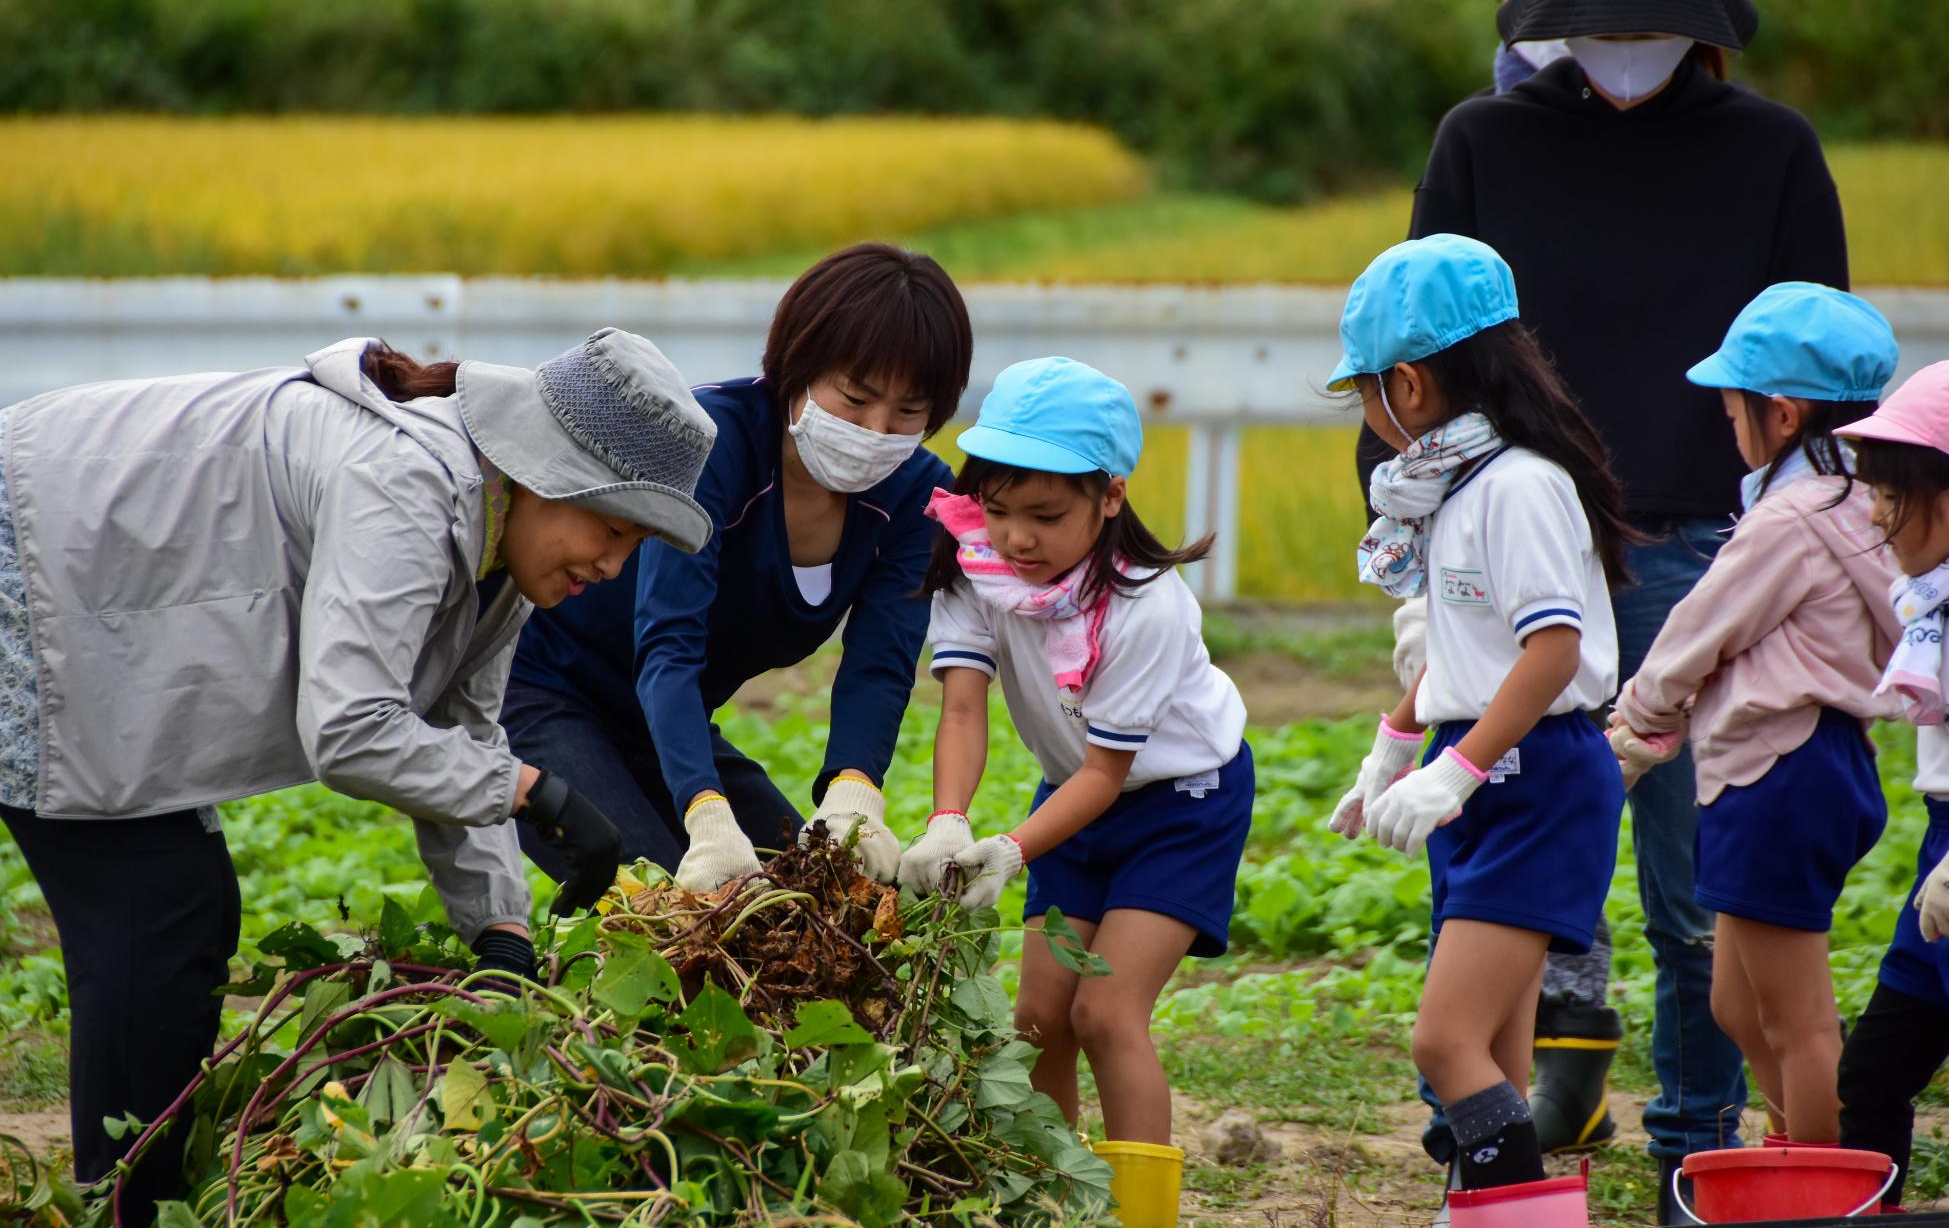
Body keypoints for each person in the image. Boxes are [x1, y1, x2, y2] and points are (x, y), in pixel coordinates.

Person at [0, 328, 711, 1217]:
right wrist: (533, 793)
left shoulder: (503, 549)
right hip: (30, 561)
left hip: (91, 607)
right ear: (542, 470)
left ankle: (142, 1198)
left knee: (181, 914)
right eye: (611, 529)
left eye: (635, 544)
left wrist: (502, 933)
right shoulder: (412, 484)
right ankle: (131, 1207)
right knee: (158, 916)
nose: (612, 566)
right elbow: (351, 726)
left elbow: (463, 731)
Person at [1384, 0, 1853, 1211]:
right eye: (1605, 8)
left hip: (1718, 562)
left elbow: (1823, 390)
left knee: (1701, 894)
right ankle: (1488, 1165)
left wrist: (1811, 569)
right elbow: (1414, 358)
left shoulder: (1775, 154)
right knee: (1487, 881)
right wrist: (1409, 538)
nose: (1626, 38)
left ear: (1700, 10)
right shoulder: (1481, 143)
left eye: (1653, 11)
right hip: (1512, 547)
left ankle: (1692, 1159)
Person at [504, 244, 973, 893]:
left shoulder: (916, 496)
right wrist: (706, 809)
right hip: (543, 690)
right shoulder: (713, 446)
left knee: (825, 904)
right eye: (856, 399)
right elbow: (670, 645)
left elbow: (880, 662)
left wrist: (852, 790)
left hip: (667, 720)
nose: (875, 428)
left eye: (907, 413)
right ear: (800, 367)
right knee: (674, 910)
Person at [900, 356, 1252, 1216]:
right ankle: (1058, 1200)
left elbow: (1109, 769)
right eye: (1000, 509)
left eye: (1047, 516)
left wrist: (1012, 850)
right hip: (1070, 800)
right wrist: (951, 821)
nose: (1017, 538)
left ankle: (1138, 1213)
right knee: (1035, 1016)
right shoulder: (977, 570)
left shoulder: (1147, 606)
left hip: (1182, 805)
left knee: (1104, 1012)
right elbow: (962, 710)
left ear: (1112, 495)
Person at [1327, 235, 1634, 1203]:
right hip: (1493, 774)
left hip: (1534, 779)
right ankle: (1491, 1214)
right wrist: (1389, 750)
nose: (1368, 419)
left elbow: (1550, 653)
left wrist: (1453, 770)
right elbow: (1468, 657)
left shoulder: (1516, 487)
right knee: (1491, 1048)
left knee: (1442, 1039)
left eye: (1364, 395)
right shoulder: (1454, 491)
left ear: (1407, 385)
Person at [1607, 284, 1903, 1147]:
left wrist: (1637, 720)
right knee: (1737, 1002)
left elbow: (1696, 628)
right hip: (1798, 768)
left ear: (1779, 414)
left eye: (1732, 404)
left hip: (1781, 772)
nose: (1725, 421)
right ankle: (1793, 1161)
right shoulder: (1857, 501)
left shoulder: (1791, 518)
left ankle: (1824, 1188)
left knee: (1799, 1020)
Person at [1833, 359, 1949, 1209]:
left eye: (1894, 496)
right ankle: (1874, 1205)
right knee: (1870, 1072)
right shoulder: (1938, 604)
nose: (1878, 514)